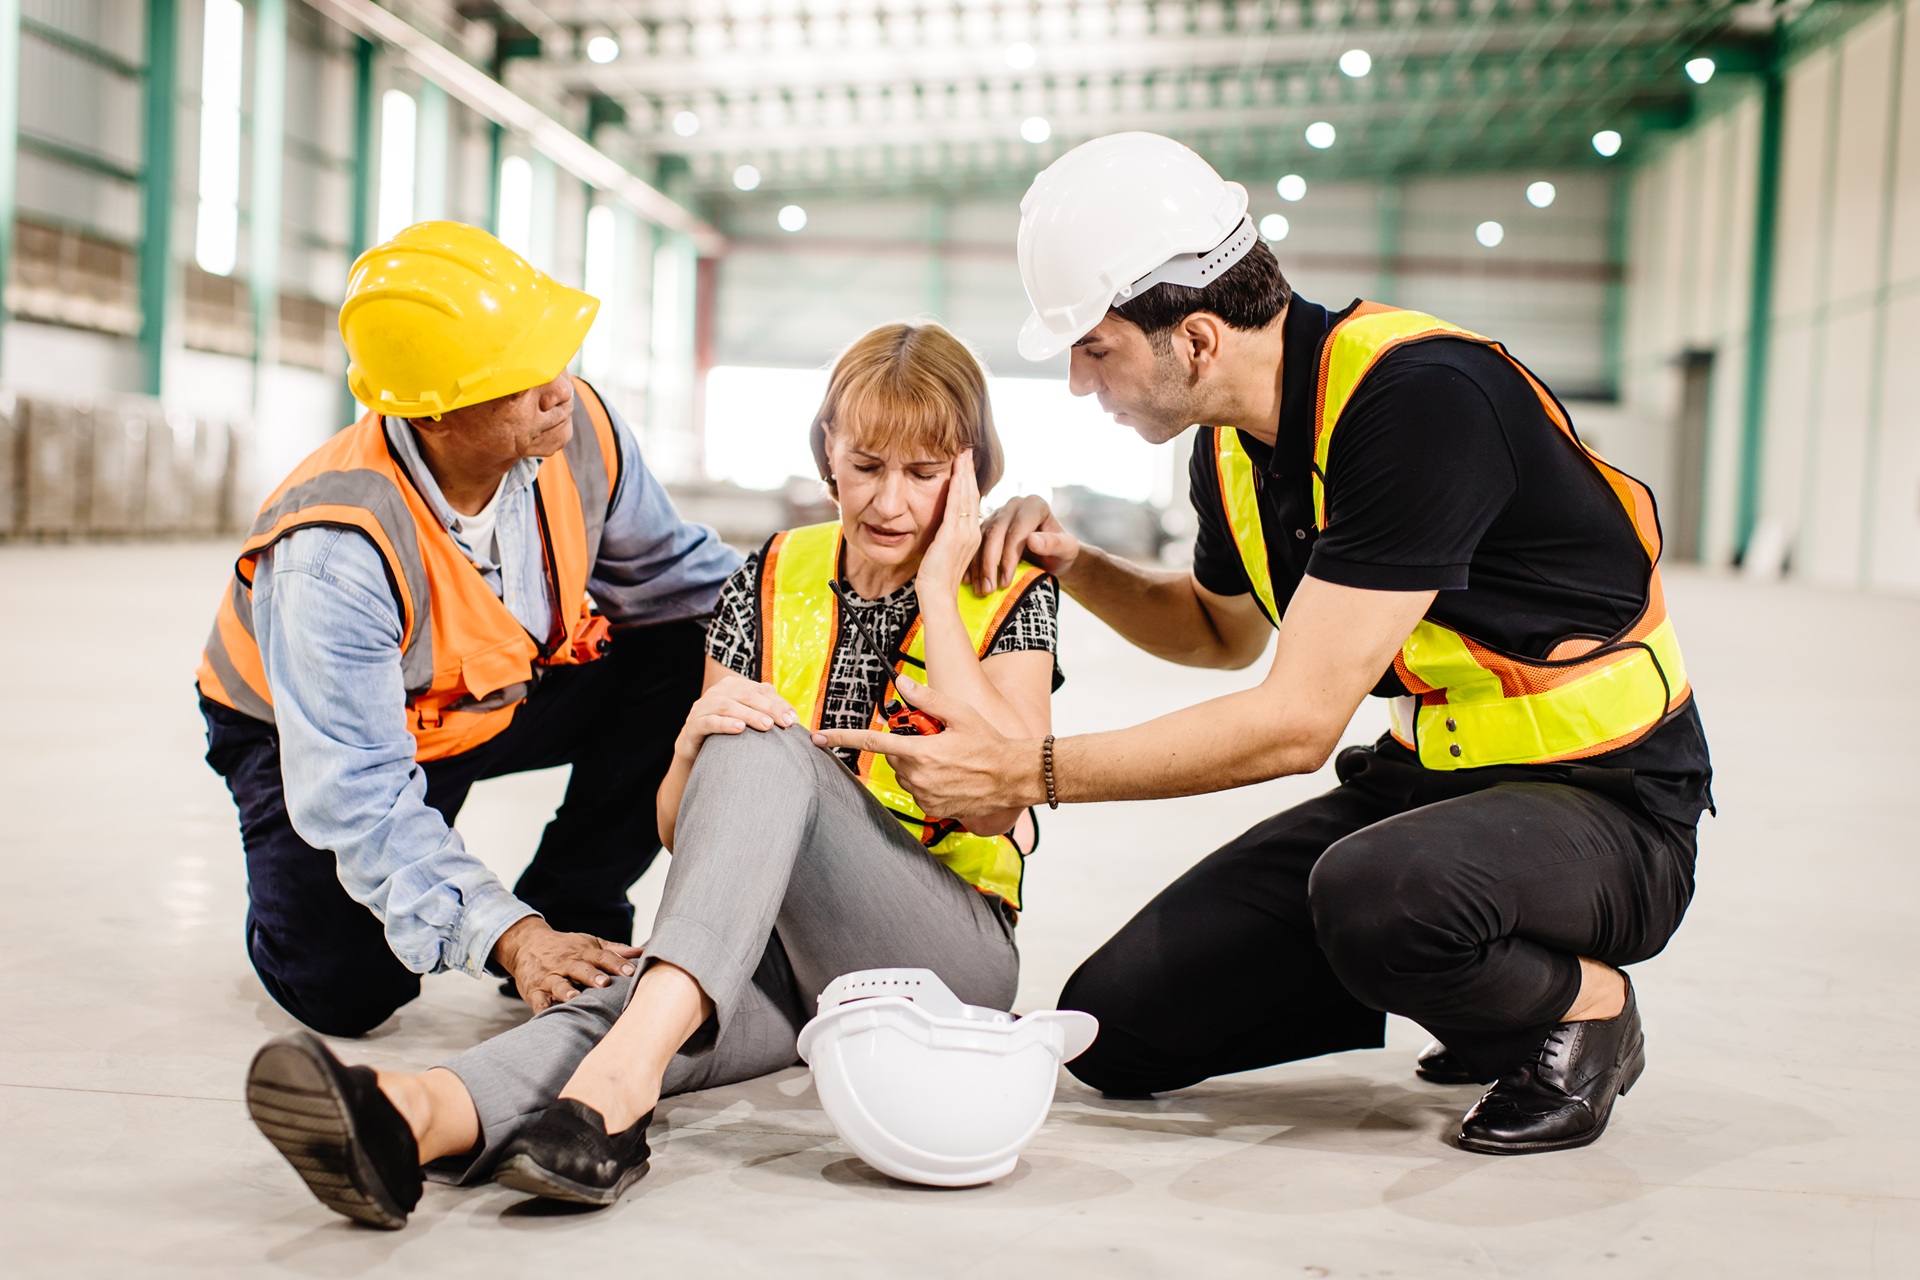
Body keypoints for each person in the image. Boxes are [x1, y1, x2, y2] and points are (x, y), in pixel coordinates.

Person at [821, 133, 1713, 1156]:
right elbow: (1215, 632)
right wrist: (1075, 562)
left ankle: (1579, 1006)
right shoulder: (1233, 448)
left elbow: (1294, 724)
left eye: (1094, 347)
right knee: (1120, 1027)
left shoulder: (1420, 404)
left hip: (1612, 805)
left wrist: (1032, 770)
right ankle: (1473, 989)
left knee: (1378, 895)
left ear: (1196, 338)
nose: (1077, 381)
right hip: (1438, 791)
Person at [242, 321, 1063, 1227]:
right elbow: (682, 828)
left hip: (944, 960)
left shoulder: (1008, 583)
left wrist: (942, 589)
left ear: (971, 471)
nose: (891, 502)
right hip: (784, 959)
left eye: (925, 472)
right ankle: (414, 1118)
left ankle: (614, 1088)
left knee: (746, 765)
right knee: (642, 1008)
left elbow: (1001, 805)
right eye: (868, 464)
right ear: (828, 449)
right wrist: (684, 749)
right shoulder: (769, 575)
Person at [197, 222, 739, 1037]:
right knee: (344, 991)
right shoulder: (335, 551)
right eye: (523, 378)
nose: (559, 388)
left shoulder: (578, 432)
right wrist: (510, 940)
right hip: (321, 740)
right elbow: (359, 793)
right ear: (436, 417)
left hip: (494, 695)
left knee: (694, 650)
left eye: (554, 356)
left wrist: (856, 593)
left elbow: (688, 579)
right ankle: (300, 903)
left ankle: (577, 903)